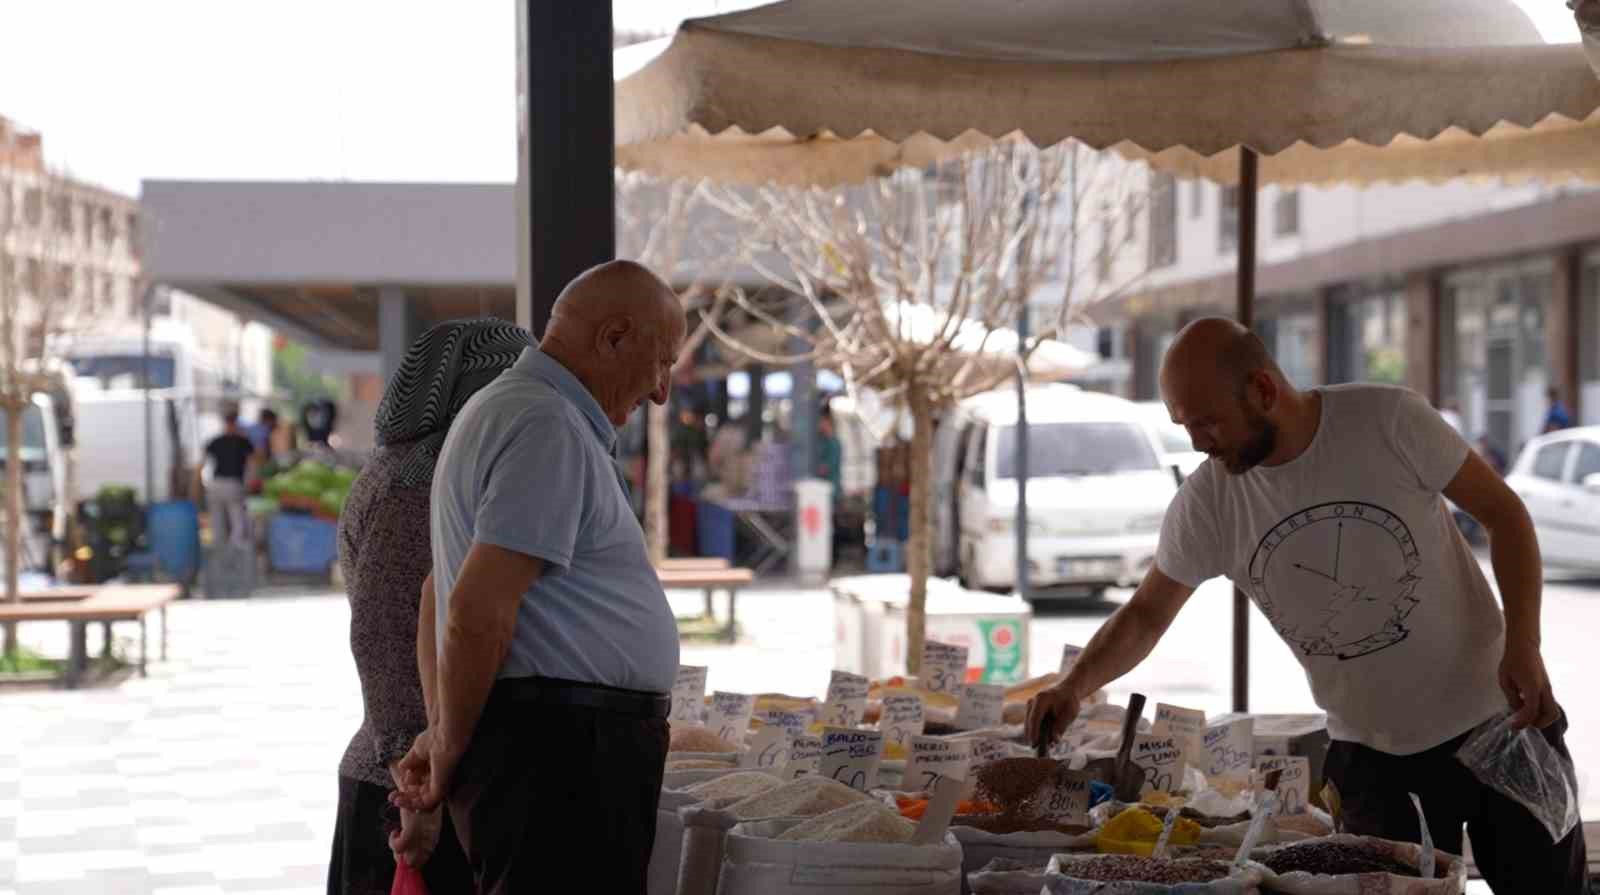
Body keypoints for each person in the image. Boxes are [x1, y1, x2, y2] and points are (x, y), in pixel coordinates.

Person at [1027, 317, 1586, 894]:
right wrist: (1075, 684)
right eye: (1184, 425)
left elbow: (1505, 515)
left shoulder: (1388, 420)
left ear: (1264, 391)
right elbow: (1145, 613)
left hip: (1503, 720)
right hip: (1373, 761)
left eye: (1207, 421)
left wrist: (1525, 641)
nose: (1196, 442)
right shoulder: (1210, 500)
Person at [393, 260, 685, 893]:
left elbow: (435, 595)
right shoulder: (544, 423)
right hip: (563, 763)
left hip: (549, 754)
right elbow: (473, 608)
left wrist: (443, 730)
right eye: (662, 362)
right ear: (612, 338)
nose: (662, 392)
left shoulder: (505, 410)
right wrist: (444, 745)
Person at [328, 319, 527, 895]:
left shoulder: (427, 467)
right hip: (406, 797)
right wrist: (416, 785)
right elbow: (385, 634)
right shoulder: (423, 479)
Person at [195, 410, 256, 547]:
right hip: (233, 483)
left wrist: (199, 483)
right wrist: (250, 481)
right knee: (237, 518)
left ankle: (219, 548)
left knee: (217, 519)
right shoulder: (243, 442)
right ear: (236, 424)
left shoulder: (215, 441)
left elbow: (202, 463)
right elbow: (252, 464)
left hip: (215, 484)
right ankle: (236, 547)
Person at [816, 406, 843, 495]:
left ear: (827, 422)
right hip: (824, 490)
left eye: (820, 421)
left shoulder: (834, 444)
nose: (818, 424)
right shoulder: (822, 441)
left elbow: (826, 468)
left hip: (831, 491)